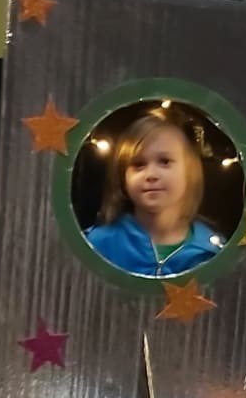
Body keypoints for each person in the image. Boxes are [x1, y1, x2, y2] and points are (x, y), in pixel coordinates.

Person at [85, 112, 225, 276]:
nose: (151, 175)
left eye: (164, 161)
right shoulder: (98, 245)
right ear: (123, 177)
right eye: (138, 164)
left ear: (189, 172)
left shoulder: (213, 253)